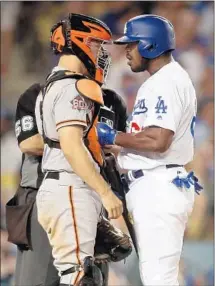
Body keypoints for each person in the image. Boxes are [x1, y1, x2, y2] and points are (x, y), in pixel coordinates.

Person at [97, 14, 202, 286]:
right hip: (154, 183)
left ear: (149, 45)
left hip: (158, 185)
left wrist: (114, 136)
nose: (127, 51)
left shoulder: (165, 82)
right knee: (155, 276)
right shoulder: (165, 79)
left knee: (159, 279)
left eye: (132, 44)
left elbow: (158, 140)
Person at [35, 13, 124, 286]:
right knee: (78, 278)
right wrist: (106, 192)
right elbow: (73, 147)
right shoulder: (72, 88)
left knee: (84, 274)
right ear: (82, 44)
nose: (102, 54)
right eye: (98, 45)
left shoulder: (55, 83)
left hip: (64, 186)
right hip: (70, 186)